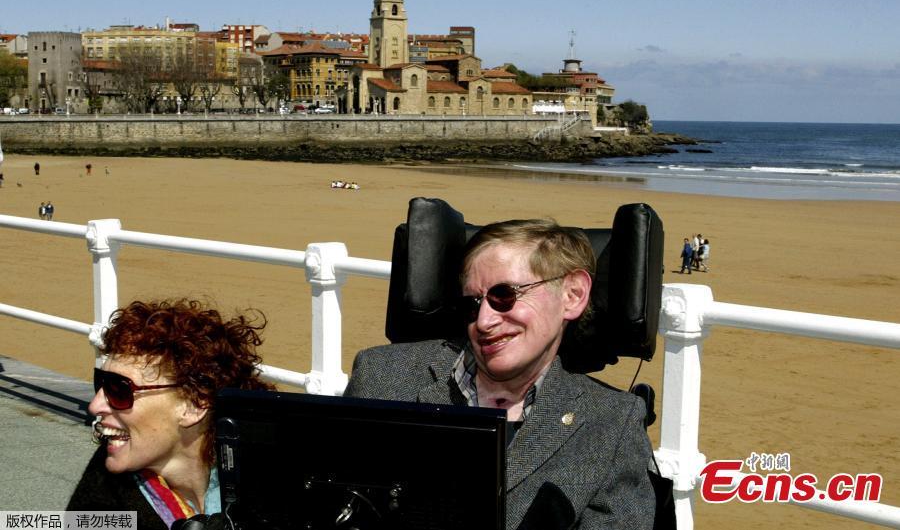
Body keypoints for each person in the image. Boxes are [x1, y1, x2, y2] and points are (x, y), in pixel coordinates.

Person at [345, 219, 656, 530]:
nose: (483, 321)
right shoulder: (382, 377)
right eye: (472, 304)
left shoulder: (611, 423)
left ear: (572, 294)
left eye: (504, 296)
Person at [67, 299, 273, 529]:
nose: (94, 405)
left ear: (194, 404)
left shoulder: (277, 484)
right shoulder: (98, 503)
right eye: (100, 383)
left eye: (119, 389)